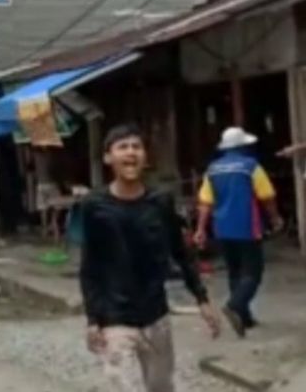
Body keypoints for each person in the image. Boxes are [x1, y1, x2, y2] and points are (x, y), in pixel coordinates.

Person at [80, 123, 220, 392]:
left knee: (161, 387)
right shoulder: (94, 205)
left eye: (136, 147)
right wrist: (93, 319)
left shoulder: (161, 202)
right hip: (114, 319)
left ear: (145, 157)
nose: (131, 152)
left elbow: (181, 252)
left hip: (156, 315)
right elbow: (90, 265)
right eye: (123, 147)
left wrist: (201, 298)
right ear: (109, 157)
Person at [194, 126, 284, 337]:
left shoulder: (213, 169)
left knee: (235, 271)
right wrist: (275, 217)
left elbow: (205, 202)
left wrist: (200, 229)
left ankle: (244, 318)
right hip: (247, 226)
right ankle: (235, 305)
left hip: (222, 228)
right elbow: (267, 196)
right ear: (243, 145)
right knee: (253, 272)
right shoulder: (250, 166)